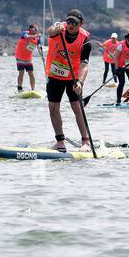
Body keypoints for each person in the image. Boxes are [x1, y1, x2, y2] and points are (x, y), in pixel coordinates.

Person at [45, 10, 92, 152]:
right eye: (69, 22)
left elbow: (84, 65)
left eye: (74, 23)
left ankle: (85, 142)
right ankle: (60, 142)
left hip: (73, 77)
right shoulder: (59, 28)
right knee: (53, 107)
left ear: (81, 24)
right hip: (54, 75)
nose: (70, 25)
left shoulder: (85, 40)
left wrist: (80, 82)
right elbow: (50, 31)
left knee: (77, 108)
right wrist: (56, 29)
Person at [15, 25, 41, 92]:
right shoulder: (25, 33)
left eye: (36, 29)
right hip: (20, 57)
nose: (35, 31)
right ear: (30, 29)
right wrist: (35, 36)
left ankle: (33, 89)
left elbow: (39, 47)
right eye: (34, 29)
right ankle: (20, 88)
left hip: (28, 59)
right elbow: (26, 36)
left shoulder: (37, 38)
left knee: (31, 73)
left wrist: (41, 55)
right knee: (21, 73)